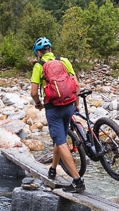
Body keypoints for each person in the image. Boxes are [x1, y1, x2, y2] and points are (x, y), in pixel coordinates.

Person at [30, 37, 85, 193]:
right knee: (59, 136)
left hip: (53, 108)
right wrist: (77, 104)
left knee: (60, 141)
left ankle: (77, 181)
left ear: (39, 53)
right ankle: (53, 168)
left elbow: (33, 92)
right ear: (50, 49)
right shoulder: (64, 61)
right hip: (69, 105)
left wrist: (38, 103)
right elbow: (77, 84)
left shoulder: (39, 66)